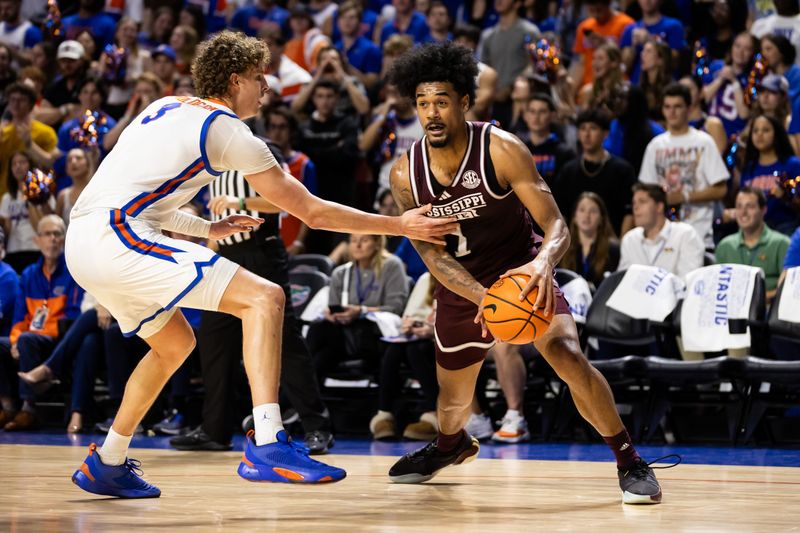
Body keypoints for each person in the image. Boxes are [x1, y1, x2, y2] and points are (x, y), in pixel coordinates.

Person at [64, 30, 455, 498]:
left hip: (84, 237)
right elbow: (310, 211)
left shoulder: (162, 106)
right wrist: (401, 225)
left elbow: (132, 188)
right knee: (265, 297)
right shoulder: (228, 129)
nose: (266, 88)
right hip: (117, 235)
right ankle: (269, 441)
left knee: (173, 344)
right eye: (258, 78)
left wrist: (204, 230)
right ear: (234, 81)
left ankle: (107, 460)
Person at [386, 41, 669, 504]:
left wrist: (541, 264)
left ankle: (629, 459)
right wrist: (483, 298)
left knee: (566, 355)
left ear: (463, 102)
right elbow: (434, 258)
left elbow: (558, 224)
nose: (431, 113)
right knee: (452, 403)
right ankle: (451, 444)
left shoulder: (501, 149)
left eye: (441, 102)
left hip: (522, 270)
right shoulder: (405, 176)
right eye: (422, 103)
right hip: (463, 285)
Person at [0, 214, 84, 431]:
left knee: (28, 339)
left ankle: (29, 408)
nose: (53, 239)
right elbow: (20, 317)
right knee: (5, 344)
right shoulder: (28, 274)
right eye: (47, 234)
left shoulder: (74, 270)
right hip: (31, 338)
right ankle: (7, 404)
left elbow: (73, 316)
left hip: (60, 340)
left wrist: (30, 336)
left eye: (57, 234)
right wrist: (15, 341)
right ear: (37, 240)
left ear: (65, 240)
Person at [306, 233, 409, 384]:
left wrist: (362, 311)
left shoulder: (392, 265)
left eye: (364, 240)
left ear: (377, 243)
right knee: (320, 333)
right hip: (341, 334)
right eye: (353, 241)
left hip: (373, 335)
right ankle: (301, 400)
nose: (357, 245)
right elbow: (333, 307)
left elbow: (395, 307)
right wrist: (332, 314)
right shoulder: (340, 273)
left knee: (321, 348)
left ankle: (291, 401)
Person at [639, 82, 729, 247]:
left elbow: (721, 189)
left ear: (689, 108)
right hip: (661, 238)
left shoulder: (703, 141)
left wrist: (684, 196)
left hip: (699, 235)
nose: (671, 112)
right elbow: (646, 191)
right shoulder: (655, 146)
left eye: (677, 106)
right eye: (667, 107)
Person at [369, 272, 439, 441]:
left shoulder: (463, 277)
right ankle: (385, 413)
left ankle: (435, 412)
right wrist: (409, 324)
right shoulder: (425, 278)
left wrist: (432, 331)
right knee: (395, 348)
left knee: (416, 350)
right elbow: (409, 315)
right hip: (422, 337)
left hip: (448, 339)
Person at [554, 109, 635, 236]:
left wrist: (622, 246)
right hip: (575, 247)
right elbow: (560, 213)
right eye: (582, 128)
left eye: (593, 128)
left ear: (606, 134)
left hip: (612, 244)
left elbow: (629, 212)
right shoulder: (568, 171)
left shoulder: (622, 170)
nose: (586, 134)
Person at [715, 187, 791, 302]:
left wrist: (756, 301)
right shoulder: (724, 246)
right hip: (731, 314)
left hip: (769, 313)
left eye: (750, 207)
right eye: (739, 207)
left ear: (763, 210)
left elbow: (790, 289)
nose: (743, 213)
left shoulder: (781, 244)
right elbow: (716, 288)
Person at [618, 183, 704, 278]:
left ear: (659, 207)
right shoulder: (630, 239)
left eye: (642, 202)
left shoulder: (685, 234)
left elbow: (688, 281)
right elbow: (623, 280)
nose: (635, 207)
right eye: (634, 203)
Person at [0, 151, 54, 274]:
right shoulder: (7, 198)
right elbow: (6, 232)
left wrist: (30, 198)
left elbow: (46, 224)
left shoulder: (44, 193)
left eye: (22, 162)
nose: (18, 166)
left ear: (30, 165)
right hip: (13, 251)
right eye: (14, 164)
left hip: (35, 248)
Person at [559, 192, 620, 288]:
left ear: (601, 219)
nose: (586, 215)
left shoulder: (613, 249)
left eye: (593, 211)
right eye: (582, 210)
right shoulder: (563, 248)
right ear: (574, 217)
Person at [520, 93, 575, 188]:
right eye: (532, 111)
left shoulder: (565, 153)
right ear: (525, 116)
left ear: (552, 115)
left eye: (542, 112)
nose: (536, 117)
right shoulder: (518, 149)